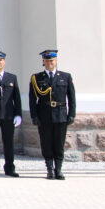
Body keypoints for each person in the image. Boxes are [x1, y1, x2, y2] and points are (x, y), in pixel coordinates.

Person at [29, 49, 75, 180]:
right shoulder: (36, 78)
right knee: (46, 143)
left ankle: (58, 169)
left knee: (59, 143)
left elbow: (71, 97)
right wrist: (34, 116)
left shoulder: (65, 77)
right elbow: (32, 99)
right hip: (44, 115)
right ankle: (49, 169)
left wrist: (72, 114)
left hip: (60, 115)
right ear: (43, 62)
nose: (49, 63)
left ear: (56, 61)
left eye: (52, 60)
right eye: (47, 61)